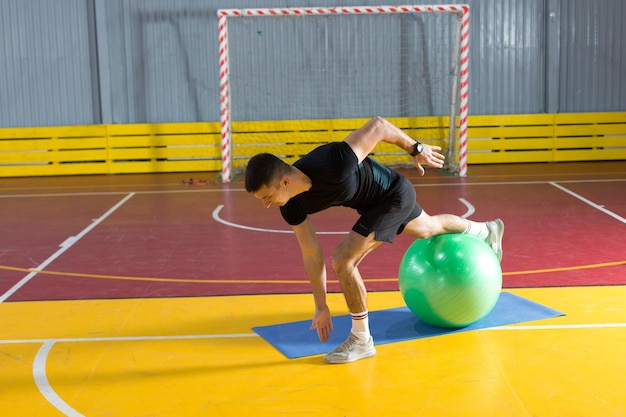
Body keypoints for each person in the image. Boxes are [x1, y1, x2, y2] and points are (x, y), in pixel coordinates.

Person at [244, 116, 504, 364]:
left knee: (343, 260)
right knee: (430, 227)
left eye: (267, 196)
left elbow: (378, 126)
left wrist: (416, 148)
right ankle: (486, 231)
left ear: (285, 181)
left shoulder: (333, 162)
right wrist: (320, 305)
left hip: (394, 194)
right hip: (374, 205)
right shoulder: (291, 205)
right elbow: (311, 253)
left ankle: (361, 338)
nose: (266, 205)